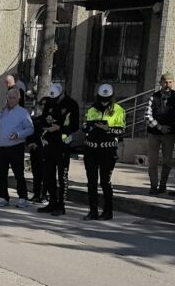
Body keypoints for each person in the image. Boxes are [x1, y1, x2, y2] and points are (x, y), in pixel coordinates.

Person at [82, 84, 126, 220]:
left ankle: (108, 211)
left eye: (107, 99)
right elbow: (84, 126)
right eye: (101, 99)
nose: (104, 102)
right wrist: (91, 126)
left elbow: (123, 130)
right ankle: (93, 211)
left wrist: (108, 128)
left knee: (105, 182)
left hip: (108, 150)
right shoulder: (92, 109)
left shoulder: (119, 110)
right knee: (91, 181)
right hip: (91, 149)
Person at [34, 83, 79, 215]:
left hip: (63, 144)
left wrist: (59, 128)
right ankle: (52, 202)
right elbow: (43, 118)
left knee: (62, 176)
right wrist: (43, 126)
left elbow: (75, 125)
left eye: (56, 99)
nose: (53, 102)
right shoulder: (49, 102)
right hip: (49, 143)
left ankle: (61, 205)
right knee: (48, 175)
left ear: (62, 94)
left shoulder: (71, 104)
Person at [0, 88, 34, 208]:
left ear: (18, 99)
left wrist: (18, 135)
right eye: (9, 98)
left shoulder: (23, 112)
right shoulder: (3, 112)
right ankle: (4, 197)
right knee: (1, 174)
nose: (10, 100)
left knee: (18, 174)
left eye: (13, 98)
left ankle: (23, 197)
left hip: (16, 147)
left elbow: (30, 129)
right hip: (2, 148)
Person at [144, 73, 175, 194]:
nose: (167, 84)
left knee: (167, 162)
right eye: (165, 82)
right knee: (153, 162)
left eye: (170, 82)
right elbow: (147, 116)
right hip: (154, 134)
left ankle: (163, 185)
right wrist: (160, 127)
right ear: (160, 83)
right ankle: (153, 186)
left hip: (169, 134)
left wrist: (173, 125)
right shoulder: (153, 97)